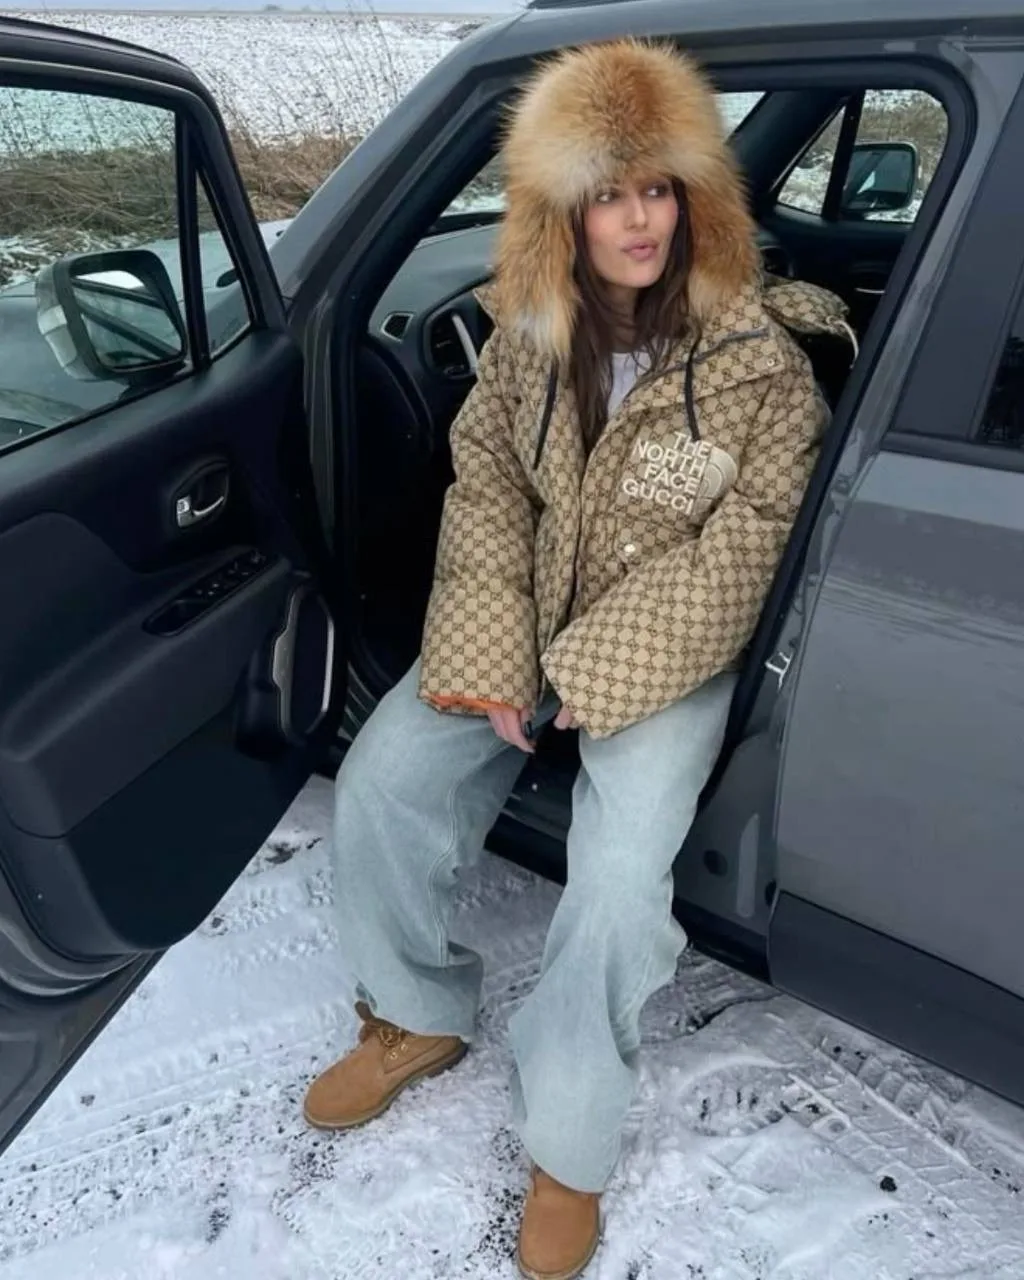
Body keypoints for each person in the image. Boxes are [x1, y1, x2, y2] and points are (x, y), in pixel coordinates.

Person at [304, 38, 849, 1280]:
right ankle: (414, 1014)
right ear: (565, 210)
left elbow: (745, 552)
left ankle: (567, 1138)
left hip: (672, 647)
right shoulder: (523, 338)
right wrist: (499, 657)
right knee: (383, 780)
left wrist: (591, 676)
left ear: (694, 200)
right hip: (529, 613)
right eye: (609, 193)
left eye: (658, 189)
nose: (638, 218)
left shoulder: (762, 367)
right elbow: (488, 489)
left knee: (612, 882)